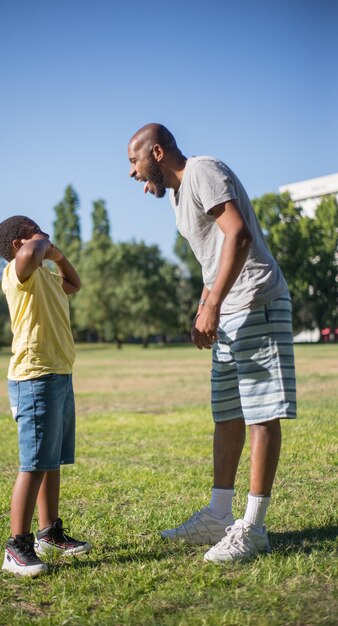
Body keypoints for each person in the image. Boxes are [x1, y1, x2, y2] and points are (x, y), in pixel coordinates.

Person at [127, 123, 297, 563]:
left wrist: (213, 303)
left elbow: (238, 233)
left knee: (261, 414)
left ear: (158, 153)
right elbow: (214, 253)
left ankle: (253, 527)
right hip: (228, 309)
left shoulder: (202, 171)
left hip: (256, 299)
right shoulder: (181, 196)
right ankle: (220, 515)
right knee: (227, 413)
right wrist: (205, 304)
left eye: (135, 162)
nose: (132, 173)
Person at [0, 215, 91, 576]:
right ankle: (17, 546)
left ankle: (50, 533)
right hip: (33, 377)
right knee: (33, 464)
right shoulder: (16, 275)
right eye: (36, 233)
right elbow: (32, 251)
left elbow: (74, 284)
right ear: (20, 245)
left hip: (58, 374)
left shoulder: (46, 276)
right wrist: (42, 242)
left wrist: (59, 257)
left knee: (51, 460)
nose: (45, 239)